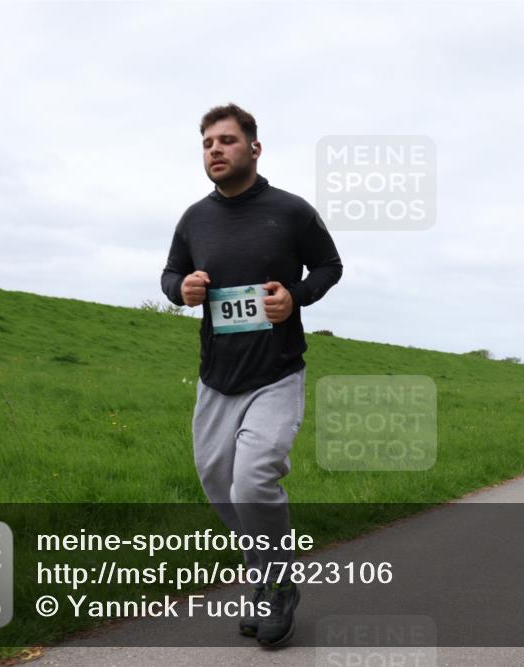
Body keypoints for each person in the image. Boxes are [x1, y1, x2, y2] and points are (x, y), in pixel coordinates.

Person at [161, 103, 343, 646]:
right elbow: (171, 274)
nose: (215, 150)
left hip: (276, 374)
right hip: (216, 378)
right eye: (207, 144)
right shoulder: (194, 218)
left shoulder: (290, 212)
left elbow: (330, 266)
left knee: (253, 478)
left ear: (254, 148)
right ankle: (267, 573)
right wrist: (181, 291)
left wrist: (297, 296)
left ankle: (276, 586)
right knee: (219, 484)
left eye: (226, 141)